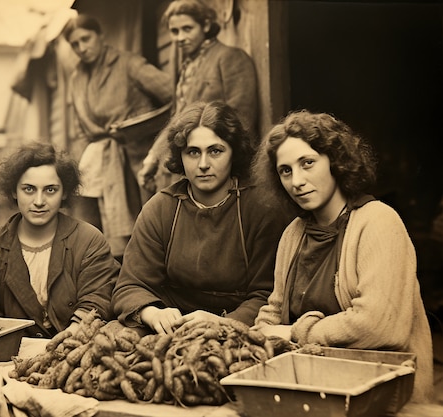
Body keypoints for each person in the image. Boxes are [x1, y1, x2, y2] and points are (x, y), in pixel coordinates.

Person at [251, 110, 434, 403]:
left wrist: (297, 332)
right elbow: (274, 312)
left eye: (307, 163)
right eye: (285, 171)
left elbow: (378, 325)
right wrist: (257, 335)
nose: (296, 181)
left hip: (380, 396)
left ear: (336, 161)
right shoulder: (293, 234)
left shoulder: (378, 222)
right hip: (311, 391)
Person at [111, 101, 292, 334]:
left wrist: (222, 324)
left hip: (236, 326)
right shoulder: (160, 209)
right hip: (172, 327)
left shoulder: (261, 208)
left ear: (233, 152)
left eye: (215, 151)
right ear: (181, 156)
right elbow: (131, 284)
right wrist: (153, 312)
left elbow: (268, 295)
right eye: (193, 152)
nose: (204, 164)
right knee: (115, 337)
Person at [0, 142, 119, 338]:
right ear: (13, 191)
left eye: (50, 190)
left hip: (77, 348)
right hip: (12, 357)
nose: (39, 201)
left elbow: (98, 298)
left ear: (65, 193)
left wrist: (67, 339)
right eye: (28, 189)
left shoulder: (89, 241)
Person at [62, 14, 172, 260]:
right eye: (75, 44)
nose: (82, 48)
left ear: (100, 36)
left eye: (86, 39)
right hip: (97, 157)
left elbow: (173, 98)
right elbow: (80, 126)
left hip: (134, 156)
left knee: (141, 232)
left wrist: (141, 127)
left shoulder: (128, 64)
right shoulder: (77, 77)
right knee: (91, 226)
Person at [138, 0, 258, 193]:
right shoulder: (186, 67)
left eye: (187, 29)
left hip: (218, 169)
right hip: (187, 166)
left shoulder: (230, 58)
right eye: (175, 31)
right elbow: (178, 117)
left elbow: (242, 120)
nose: (180, 37)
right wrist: (153, 155)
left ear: (206, 25)